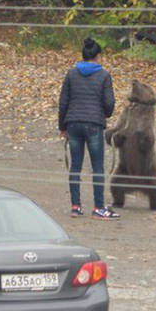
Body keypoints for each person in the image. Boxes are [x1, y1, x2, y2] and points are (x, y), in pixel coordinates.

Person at [58, 38, 120, 220]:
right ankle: (99, 208)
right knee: (97, 167)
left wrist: (62, 126)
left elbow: (63, 102)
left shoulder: (71, 74)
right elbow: (109, 103)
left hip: (73, 123)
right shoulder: (104, 76)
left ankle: (76, 207)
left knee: (75, 166)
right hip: (93, 124)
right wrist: (105, 114)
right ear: (98, 56)